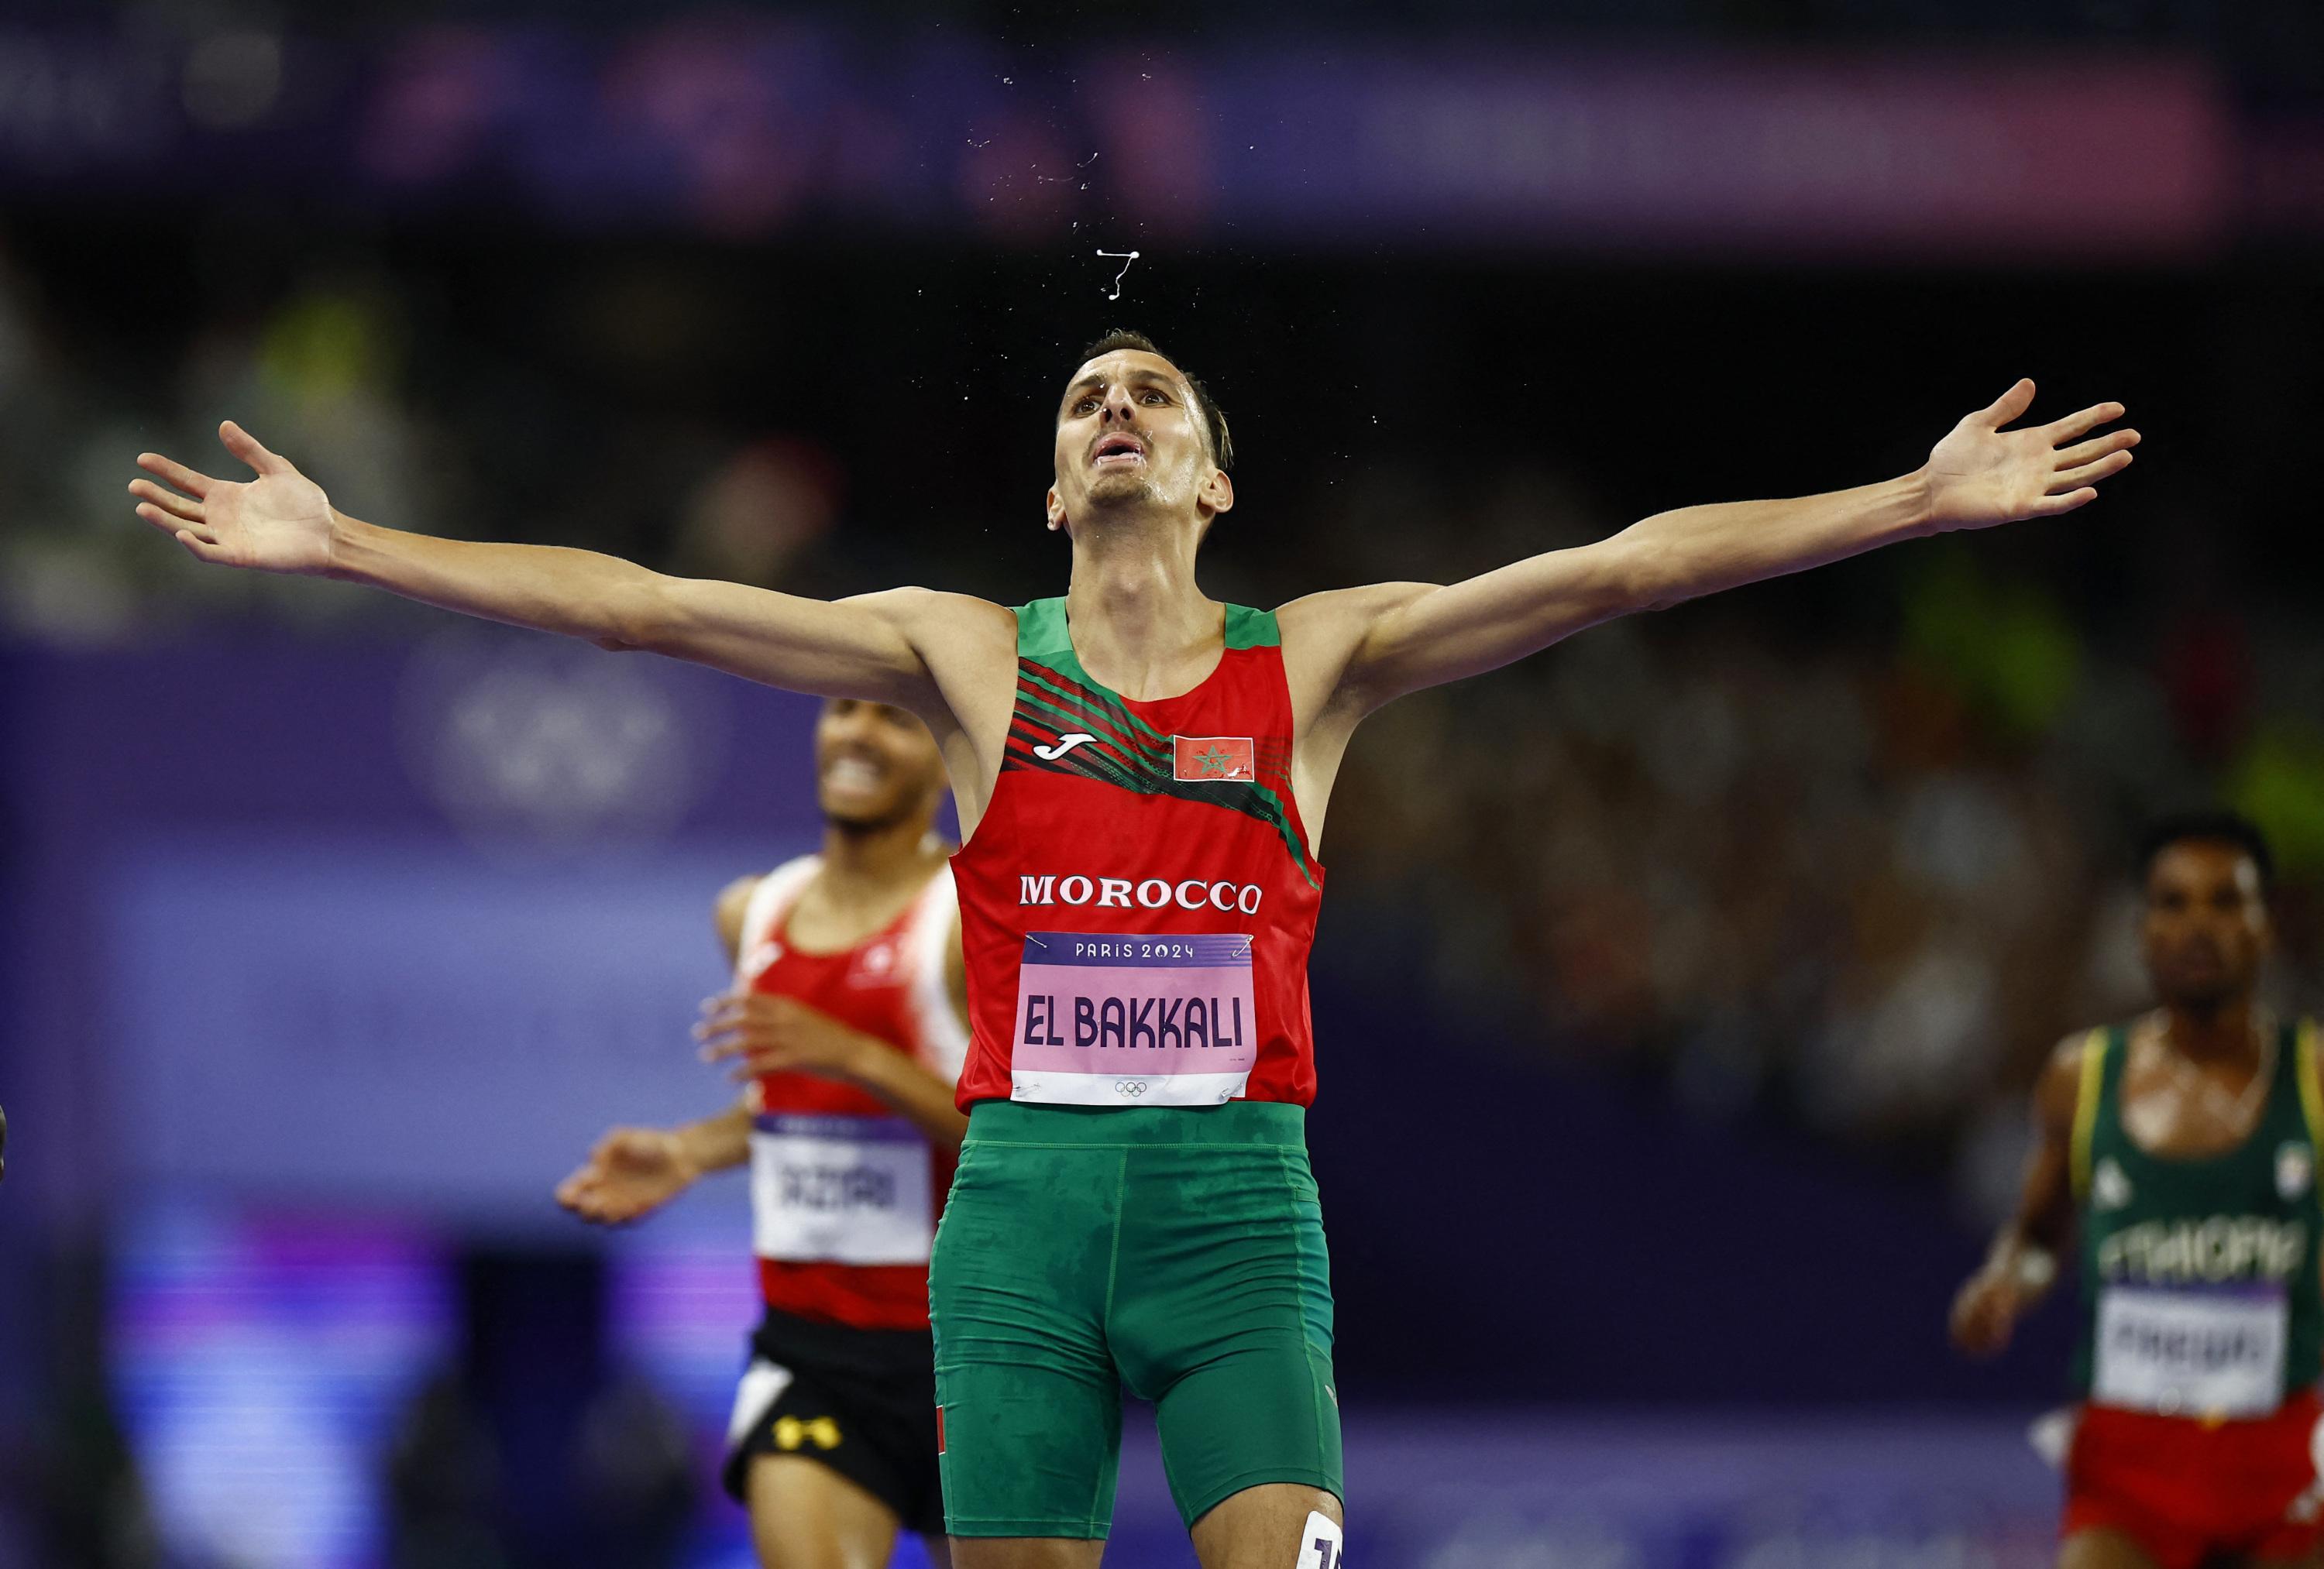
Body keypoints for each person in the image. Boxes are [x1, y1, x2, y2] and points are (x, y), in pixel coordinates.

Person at [129, 328, 2136, 1569]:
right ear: (1057, 473)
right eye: (1088, 396)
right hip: (1018, 1213)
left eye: (1154, 395)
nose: (1116, 409)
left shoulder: (1320, 661)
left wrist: (1912, 501)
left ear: (1211, 479)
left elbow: (1620, 571)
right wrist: (353, 543)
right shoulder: (965, 651)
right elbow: (645, 606)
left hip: (1235, 1213)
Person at [556, 694, 968, 1569]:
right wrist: (685, 1151)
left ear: (948, 758)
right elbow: (799, 1107)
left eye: (894, 718)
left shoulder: (970, 919)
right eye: (842, 708)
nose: (856, 732)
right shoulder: (754, 911)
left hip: (975, 1352)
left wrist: (859, 1052)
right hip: (810, 1346)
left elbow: (1034, 1142)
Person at [1951, 812, 2322, 1569]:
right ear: (2142, 929)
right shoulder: (2081, 1079)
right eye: (2173, 902)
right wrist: (2001, 1283)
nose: (2197, 926)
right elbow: (2038, 1238)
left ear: (2265, 927)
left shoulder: (2314, 1079)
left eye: (2225, 902)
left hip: (2281, 1464)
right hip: (2128, 1471)